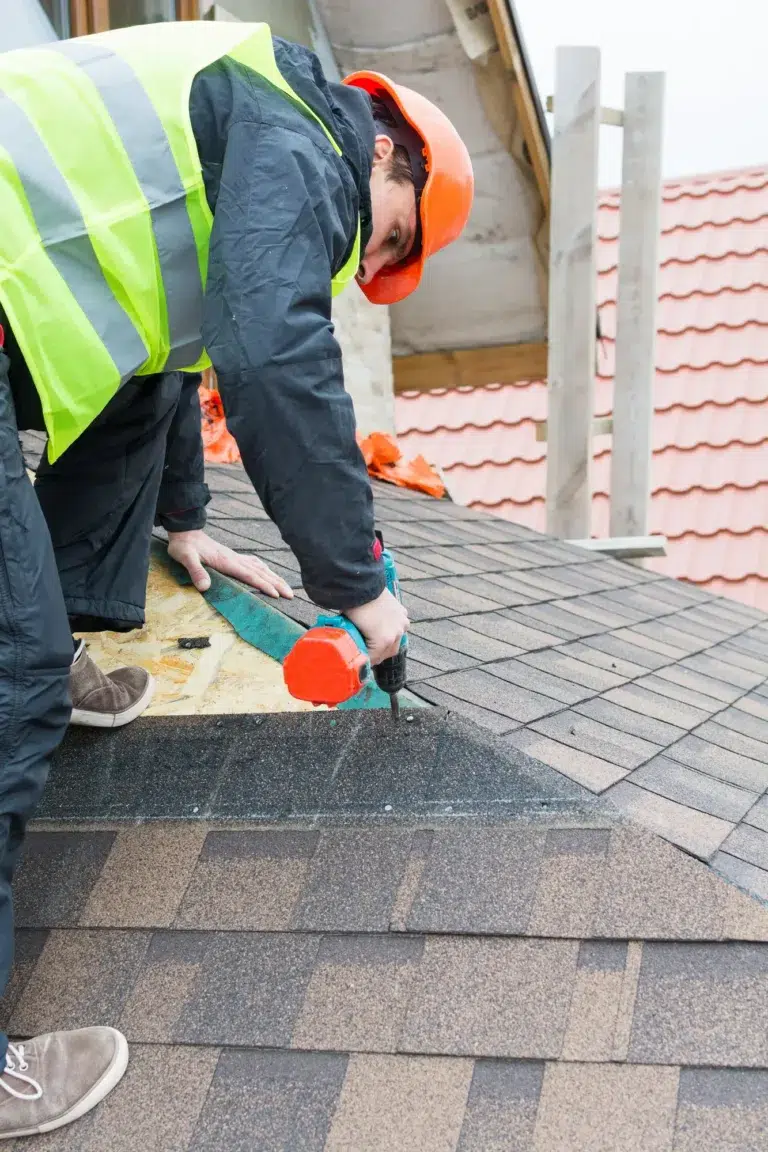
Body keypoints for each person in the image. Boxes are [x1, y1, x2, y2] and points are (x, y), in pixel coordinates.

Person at [0, 19, 473, 1138]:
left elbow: (164, 347)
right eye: (389, 236)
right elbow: (270, 349)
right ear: (388, 152)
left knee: (129, 427)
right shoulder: (304, 131)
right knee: (7, 679)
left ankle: (51, 631)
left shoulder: (235, 118)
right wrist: (357, 585)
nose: (363, 262)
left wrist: (186, 518)